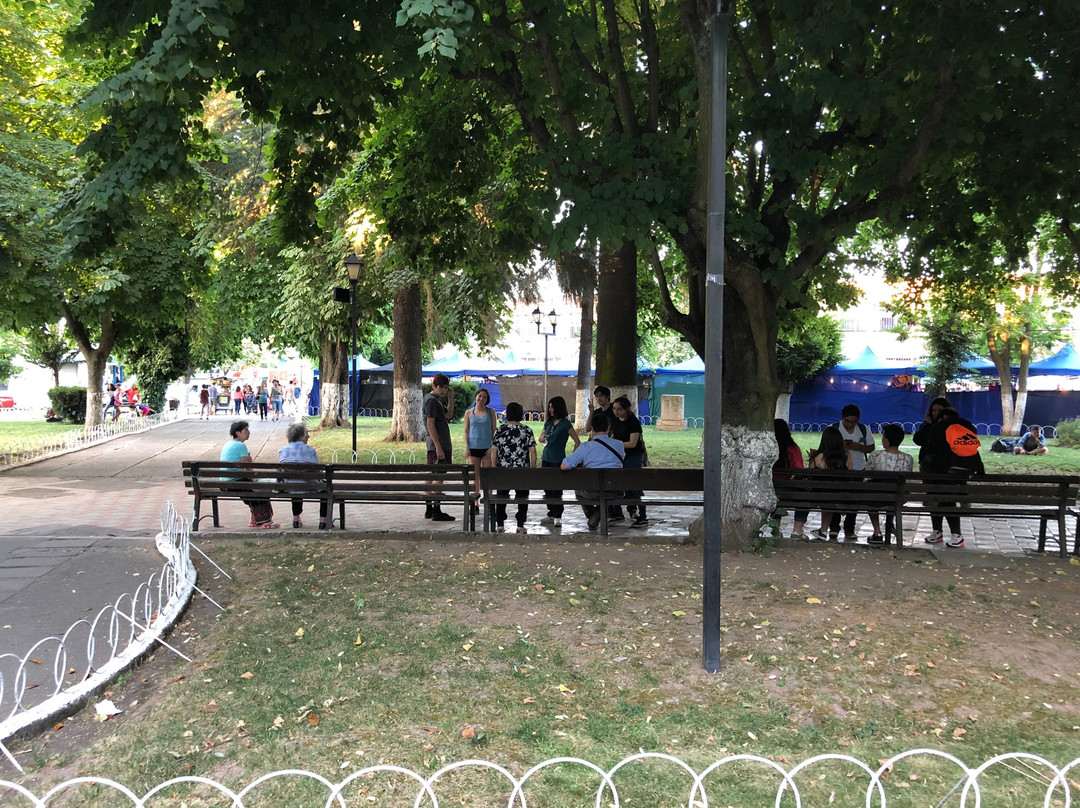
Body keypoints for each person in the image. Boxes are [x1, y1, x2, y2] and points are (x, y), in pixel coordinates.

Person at [917, 405, 985, 548]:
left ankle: (954, 535)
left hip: (943, 469)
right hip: (966, 468)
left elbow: (931, 448)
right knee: (945, 499)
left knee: (942, 498)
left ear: (942, 417)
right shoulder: (967, 426)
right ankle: (946, 533)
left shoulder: (940, 427)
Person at [560, 411, 625, 530]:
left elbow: (564, 466)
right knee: (605, 494)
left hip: (591, 491)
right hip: (615, 490)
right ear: (608, 428)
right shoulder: (619, 445)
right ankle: (596, 516)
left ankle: (594, 517)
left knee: (578, 488)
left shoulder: (585, 447)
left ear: (592, 429)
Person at [829, 404, 880, 540]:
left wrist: (858, 447)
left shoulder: (863, 429)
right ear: (842, 418)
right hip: (838, 469)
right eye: (847, 421)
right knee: (836, 497)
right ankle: (834, 527)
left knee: (854, 500)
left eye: (854, 422)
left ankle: (849, 529)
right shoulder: (834, 429)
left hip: (858, 468)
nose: (850, 425)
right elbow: (826, 447)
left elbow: (871, 447)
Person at [220, 420, 278, 529]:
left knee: (253, 490)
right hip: (235, 482)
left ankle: (254, 520)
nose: (249, 432)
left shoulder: (228, 444)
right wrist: (250, 461)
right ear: (238, 433)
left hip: (224, 483)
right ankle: (266, 522)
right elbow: (248, 469)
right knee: (260, 490)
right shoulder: (240, 446)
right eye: (245, 430)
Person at [864, 423, 914, 545]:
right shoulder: (908, 458)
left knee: (870, 492)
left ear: (886, 440)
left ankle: (877, 532)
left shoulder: (876, 455)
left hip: (876, 497)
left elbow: (867, 474)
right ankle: (889, 524)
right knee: (891, 492)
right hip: (897, 497)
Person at [491, 401, 537, 533]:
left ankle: (500, 524)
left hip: (503, 470)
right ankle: (520, 524)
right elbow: (532, 451)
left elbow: (494, 450)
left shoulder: (500, 430)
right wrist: (533, 467)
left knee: (501, 495)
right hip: (522, 470)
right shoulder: (527, 430)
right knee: (522, 496)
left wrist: (494, 466)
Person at [912, 396, 954, 543]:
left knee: (948, 500)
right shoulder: (928, 424)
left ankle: (956, 532)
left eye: (939, 410)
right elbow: (918, 439)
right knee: (933, 498)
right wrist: (929, 425)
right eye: (933, 410)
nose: (936, 413)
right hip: (929, 467)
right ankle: (937, 530)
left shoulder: (951, 425)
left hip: (946, 467)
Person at [538, 395, 580, 527]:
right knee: (547, 487)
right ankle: (551, 512)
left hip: (558, 459)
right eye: (549, 407)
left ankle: (558, 515)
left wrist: (573, 456)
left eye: (552, 407)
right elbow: (541, 436)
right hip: (546, 457)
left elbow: (577, 441)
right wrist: (542, 439)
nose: (550, 410)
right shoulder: (548, 423)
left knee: (557, 488)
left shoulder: (566, 424)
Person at [807, 426, 852, 541]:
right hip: (840, 495)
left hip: (818, 496)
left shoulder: (818, 458)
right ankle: (823, 530)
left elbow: (810, 474)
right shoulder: (846, 456)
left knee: (827, 498)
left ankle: (823, 530)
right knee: (830, 498)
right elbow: (850, 475)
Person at [278, 422, 326, 529]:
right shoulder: (310, 450)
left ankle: (296, 518)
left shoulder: (283, 450)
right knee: (325, 489)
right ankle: (323, 520)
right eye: (306, 434)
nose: (308, 436)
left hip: (289, 487)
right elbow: (317, 471)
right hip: (309, 486)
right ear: (300, 436)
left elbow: (280, 471)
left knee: (295, 484)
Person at [610, 395, 649, 527]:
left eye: (619, 409)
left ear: (626, 409)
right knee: (622, 485)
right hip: (620, 456)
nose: (616, 412)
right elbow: (614, 436)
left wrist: (616, 444)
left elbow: (632, 443)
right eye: (614, 409)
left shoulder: (633, 422)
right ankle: (625, 511)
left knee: (635, 485)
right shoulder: (615, 421)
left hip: (633, 456)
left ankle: (642, 514)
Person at [423, 373, 456, 522]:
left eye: (445, 388)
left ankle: (429, 508)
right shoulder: (431, 401)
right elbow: (430, 424)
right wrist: (438, 447)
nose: (443, 390)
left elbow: (448, 415)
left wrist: (451, 397)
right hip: (439, 444)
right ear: (434, 386)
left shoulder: (434, 401)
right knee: (438, 476)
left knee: (432, 474)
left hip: (436, 444)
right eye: (441, 387)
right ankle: (436, 509)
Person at [772, 418, 808, 539]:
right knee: (805, 495)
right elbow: (799, 469)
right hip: (787, 488)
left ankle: (775, 529)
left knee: (776, 499)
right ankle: (797, 531)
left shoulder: (768, 447)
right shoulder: (792, 448)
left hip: (770, 488)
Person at [463, 388, 496, 514]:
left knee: (487, 476)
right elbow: (466, 431)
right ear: (476, 397)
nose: (481, 399)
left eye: (484, 397)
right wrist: (467, 446)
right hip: (474, 447)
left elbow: (494, 430)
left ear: (487, 400)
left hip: (487, 448)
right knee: (475, 476)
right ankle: (475, 503)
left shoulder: (491, 412)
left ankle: (488, 501)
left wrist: (493, 446)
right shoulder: (469, 413)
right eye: (480, 396)